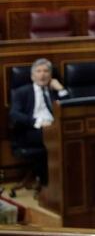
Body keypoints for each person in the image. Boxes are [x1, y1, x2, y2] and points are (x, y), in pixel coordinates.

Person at [9, 58, 69, 191]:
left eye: (46, 71)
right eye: (39, 71)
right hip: (32, 130)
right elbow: (14, 114)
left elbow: (69, 109)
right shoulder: (22, 92)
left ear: (51, 75)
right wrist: (37, 122)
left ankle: (63, 183)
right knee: (52, 138)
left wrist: (61, 89)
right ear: (32, 76)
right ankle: (47, 185)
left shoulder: (54, 91)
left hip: (55, 128)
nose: (42, 75)